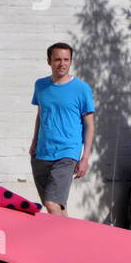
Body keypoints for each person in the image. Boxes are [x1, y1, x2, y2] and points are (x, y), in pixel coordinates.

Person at [29, 42, 95, 216]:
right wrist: (34, 142)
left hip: (67, 152)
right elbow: (41, 114)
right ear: (49, 61)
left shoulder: (81, 89)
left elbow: (90, 125)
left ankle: (59, 243)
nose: (62, 63)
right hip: (42, 153)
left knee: (52, 204)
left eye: (66, 59)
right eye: (57, 59)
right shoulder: (41, 86)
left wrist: (85, 157)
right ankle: (70, 241)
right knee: (57, 207)